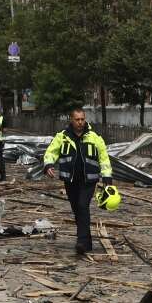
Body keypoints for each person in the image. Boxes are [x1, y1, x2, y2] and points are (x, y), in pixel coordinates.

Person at [43, 108, 112, 255]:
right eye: (77, 119)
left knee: (82, 206)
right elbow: (51, 152)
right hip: (70, 180)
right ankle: (86, 243)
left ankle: (81, 241)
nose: (80, 122)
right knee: (77, 209)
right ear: (71, 120)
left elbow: (104, 158)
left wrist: (107, 177)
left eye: (82, 119)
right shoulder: (62, 137)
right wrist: (48, 165)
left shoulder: (94, 137)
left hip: (89, 180)